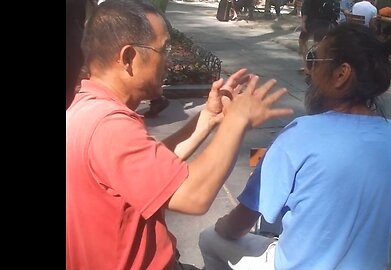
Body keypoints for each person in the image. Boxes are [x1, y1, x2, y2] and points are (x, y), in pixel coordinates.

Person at [66, 0, 294, 269]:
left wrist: (207, 119)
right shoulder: (109, 126)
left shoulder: (89, 107)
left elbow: (152, 172)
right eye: (164, 49)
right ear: (128, 58)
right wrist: (237, 121)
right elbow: (193, 196)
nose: (169, 59)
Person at [199, 23, 391, 270]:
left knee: (209, 239)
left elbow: (238, 225)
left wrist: (222, 226)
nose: (308, 71)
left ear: (341, 74)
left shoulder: (300, 134)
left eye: (314, 59)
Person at [297, 0, 339, 72]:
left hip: (311, 21)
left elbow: (306, 8)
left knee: (302, 42)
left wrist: (303, 22)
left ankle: (309, 66)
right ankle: (316, 66)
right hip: (327, 22)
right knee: (319, 44)